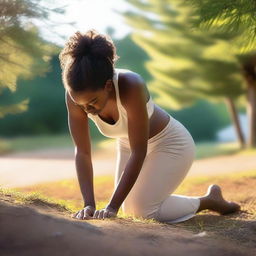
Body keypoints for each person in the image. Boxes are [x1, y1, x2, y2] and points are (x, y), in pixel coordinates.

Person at [59, 29, 240, 223]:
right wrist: (89, 204)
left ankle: (207, 201)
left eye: (92, 102)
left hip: (170, 143)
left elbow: (139, 150)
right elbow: (83, 152)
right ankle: (206, 200)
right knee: (131, 210)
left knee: (141, 211)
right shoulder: (75, 96)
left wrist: (112, 207)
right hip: (127, 145)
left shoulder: (131, 85)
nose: (87, 110)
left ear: (108, 86)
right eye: (81, 105)